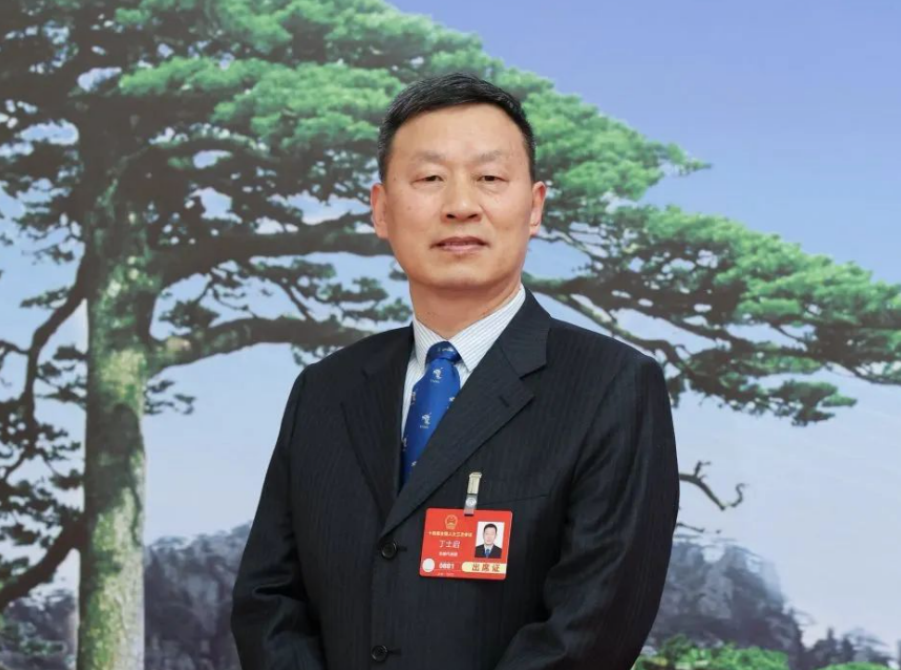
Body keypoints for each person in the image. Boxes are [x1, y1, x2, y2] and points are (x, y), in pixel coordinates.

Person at [230, 72, 680, 670]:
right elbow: (268, 601)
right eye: (430, 179)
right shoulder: (326, 389)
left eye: (490, 178)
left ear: (535, 206)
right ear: (382, 210)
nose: (460, 206)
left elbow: (590, 631)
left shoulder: (612, 386)